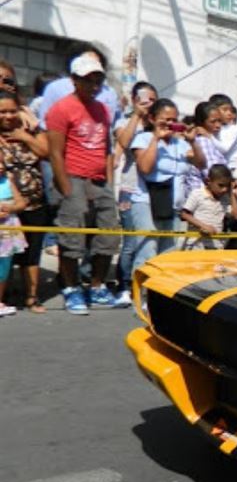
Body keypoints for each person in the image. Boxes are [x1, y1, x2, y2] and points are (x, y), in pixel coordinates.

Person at [45, 54, 118, 314]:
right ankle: (71, 287)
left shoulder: (103, 109)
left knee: (108, 236)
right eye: (88, 80)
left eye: (98, 79)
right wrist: (65, 188)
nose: (94, 85)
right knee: (71, 239)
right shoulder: (61, 109)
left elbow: (107, 147)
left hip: (98, 180)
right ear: (75, 80)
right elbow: (54, 152)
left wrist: (108, 182)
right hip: (72, 178)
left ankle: (96, 286)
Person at [133, 98, 203, 265]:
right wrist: (156, 139)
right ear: (152, 119)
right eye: (166, 120)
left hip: (173, 206)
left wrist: (193, 142)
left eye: (174, 120)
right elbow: (144, 168)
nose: (170, 124)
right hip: (148, 202)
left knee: (168, 255)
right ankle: (138, 290)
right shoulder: (143, 138)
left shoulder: (180, 143)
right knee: (147, 252)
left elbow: (201, 164)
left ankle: (157, 291)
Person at [0, 87, 49, 312]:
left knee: (33, 252)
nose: (8, 116)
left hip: (35, 202)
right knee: (5, 253)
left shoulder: (28, 129)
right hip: (6, 205)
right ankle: (5, 295)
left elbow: (46, 151)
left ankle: (32, 296)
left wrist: (24, 136)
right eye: (2, 112)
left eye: (12, 111)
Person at [112, 81, 156, 301]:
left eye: (153, 101)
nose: (149, 105)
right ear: (135, 100)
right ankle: (123, 286)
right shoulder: (125, 121)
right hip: (130, 189)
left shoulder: (158, 124)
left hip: (153, 192)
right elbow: (124, 141)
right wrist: (137, 116)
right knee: (130, 241)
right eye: (145, 100)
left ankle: (142, 285)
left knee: (148, 241)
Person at [38, 44, 120, 128]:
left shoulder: (110, 93)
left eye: (96, 64)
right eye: (87, 64)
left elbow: (113, 126)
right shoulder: (55, 88)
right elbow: (45, 125)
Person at [181, 164, 237, 250]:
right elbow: (184, 214)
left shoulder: (225, 199)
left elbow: (236, 215)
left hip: (216, 245)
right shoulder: (197, 194)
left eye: (227, 186)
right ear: (208, 181)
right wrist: (203, 226)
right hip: (197, 245)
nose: (224, 189)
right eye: (221, 185)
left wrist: (231, 193)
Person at [0, 161, 28, 316]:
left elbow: (21, 203)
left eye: (2, 161)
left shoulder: (7, 180)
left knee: (3, 268)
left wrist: (11, 208)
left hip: (7, 233)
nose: (1, 166)